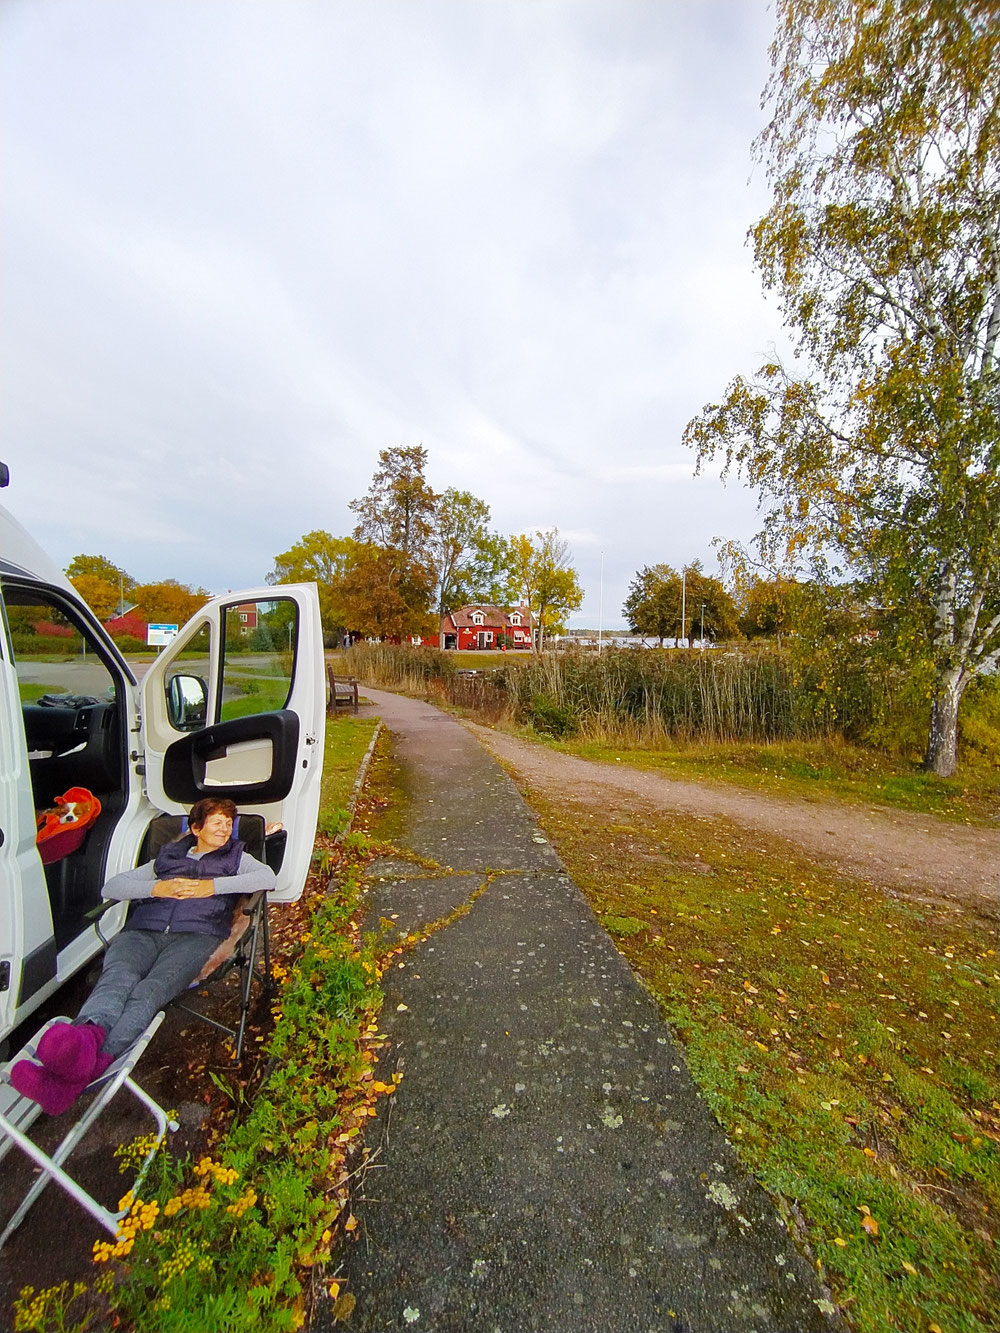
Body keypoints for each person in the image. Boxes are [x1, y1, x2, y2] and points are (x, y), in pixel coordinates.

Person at [11, 797, 275, 1115]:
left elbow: (267, 878)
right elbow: (114, 886)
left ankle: (74, 1073)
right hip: (142, 932)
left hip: (196, 936)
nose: (225, 828)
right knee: (115, 981)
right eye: (217, 822)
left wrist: (212, 887)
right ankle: (81, 1047)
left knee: (147, 991)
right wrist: (155, 890)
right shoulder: (167, 858)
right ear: (196, 828)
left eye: (229, 823)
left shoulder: (235, 858)